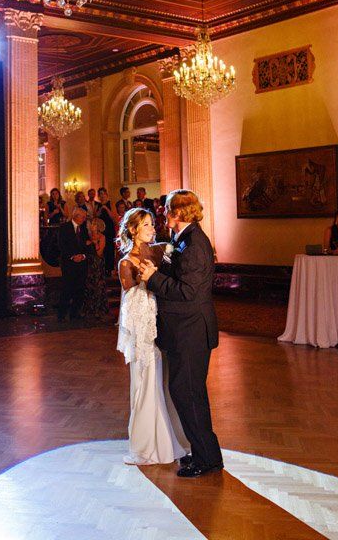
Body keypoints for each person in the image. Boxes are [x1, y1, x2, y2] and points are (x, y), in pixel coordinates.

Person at [139, 189, 223, 478]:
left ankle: (206, 458)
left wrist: (153, 279)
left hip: (192, 331)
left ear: (177, 213)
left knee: (186, 392)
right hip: (183, 330)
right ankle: (205, 454)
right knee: (188, 392)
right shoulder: (182, 239)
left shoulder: (195, 244)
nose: (162, 213)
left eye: (166, 209)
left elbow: (188, 292)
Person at [117, 208, 189, 465]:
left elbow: (176, 251)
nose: (152, 228)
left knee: (164, 383)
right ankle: (146, 445)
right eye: (146, 225)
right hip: (144, 334)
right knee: (146, 383)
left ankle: (171, 439)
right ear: (134, 230)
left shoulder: (159, 250)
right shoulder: (126, 263)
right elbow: (130, 304)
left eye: (152, 224)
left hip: (165, 330)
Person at [57, 207, 91, 321]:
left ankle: (74, 314)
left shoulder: (84, 229)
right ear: (75, 216)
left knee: (80, 290)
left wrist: (83, 256)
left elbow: (87, 245)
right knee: (67, 289)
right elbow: (62, 245)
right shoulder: (64, 228)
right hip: (69, 264)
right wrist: (72, 256)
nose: (84, 219)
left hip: (81, 264)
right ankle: (61, 315)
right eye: (83, 217)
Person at [82, 218, 109, 318]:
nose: (91, 225)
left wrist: (94, 242)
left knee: (97, 285)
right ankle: (87, 309)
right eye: (91, 224)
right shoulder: (87, 235)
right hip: (88, 262)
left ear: (98, 226)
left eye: (93, 224)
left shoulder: (102, 237)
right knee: (88, 286)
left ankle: (97, 309)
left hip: (97, 263)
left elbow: (99, 252)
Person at [97, 189, 116, 277]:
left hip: (110, 229)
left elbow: (114, 218)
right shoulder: (97, 205)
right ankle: (103, 269)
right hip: (101, 231)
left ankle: (110, 268)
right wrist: (101, 209)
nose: (102, 196)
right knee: (102, 250)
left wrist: (106, 209)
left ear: (106, 195)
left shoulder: (111, 204)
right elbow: (95, 216)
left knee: (110, 249)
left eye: (103, 194)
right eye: (100, 194)